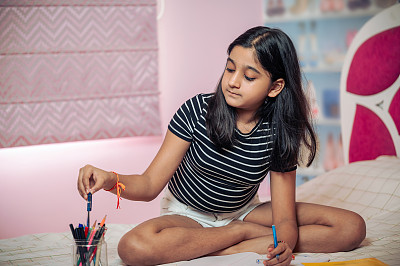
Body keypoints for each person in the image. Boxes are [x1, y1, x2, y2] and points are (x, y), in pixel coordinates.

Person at [77, 26, 366, 266]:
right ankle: (238, 236)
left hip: (243, 211)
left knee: (351, 228)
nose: (234, 82)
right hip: (189, 215)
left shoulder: (279, 132)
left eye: (249, 76)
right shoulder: (195, 111)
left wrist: (285, 245)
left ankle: (216, 247)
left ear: (275, 87)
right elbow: (149, 184)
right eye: (230, 69)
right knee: (133, 247)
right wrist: (109, 180)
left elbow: (285, 218)